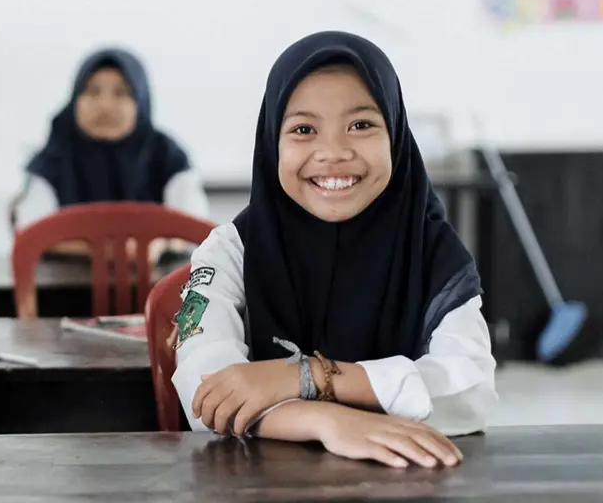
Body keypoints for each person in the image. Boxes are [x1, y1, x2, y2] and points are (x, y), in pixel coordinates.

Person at [171, 31, 496, 469]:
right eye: (303, 130)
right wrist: (325, 421)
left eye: (361, 125)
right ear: (272, 144)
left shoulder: (434, 252)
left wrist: (303, 377)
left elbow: (469, 389)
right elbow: (205, 389)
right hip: (257, 487)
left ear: (396, 136)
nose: (333, 153)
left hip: (407, 483)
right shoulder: (231, 250)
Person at [11, 48, 209, 258]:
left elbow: (195, 227)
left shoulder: (169, 156)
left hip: (159, 286)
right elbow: (31, 231)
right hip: (63, 289)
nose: (105, 105)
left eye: (121, 93)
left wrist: (158, 245)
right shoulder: (51, 159)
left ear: (141, 101)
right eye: (92, 91)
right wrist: (102, 250)